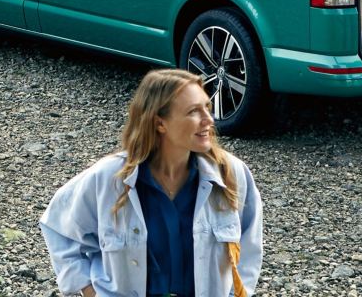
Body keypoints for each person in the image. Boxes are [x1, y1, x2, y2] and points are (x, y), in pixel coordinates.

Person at [40, 69, 263, 296]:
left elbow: (250, 249)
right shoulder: (108, 178)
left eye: (207, 107)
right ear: (160, 123)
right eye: (193, 111)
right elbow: (57, 226)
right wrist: (89, 290)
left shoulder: (231, 173)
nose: (209, 119)